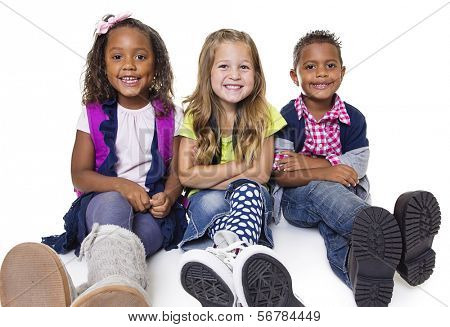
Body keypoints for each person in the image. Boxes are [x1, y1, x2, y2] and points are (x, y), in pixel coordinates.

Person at [0, 13, 186, 307]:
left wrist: (171, 195)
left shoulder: (171, 114)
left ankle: (87, 293)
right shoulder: (92, 113)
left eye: (140, 56)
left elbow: (179, 168)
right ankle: (120, 294)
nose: (129, 65)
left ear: (157, 64)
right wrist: (122, 186)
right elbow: (80, 175)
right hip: (103, 201)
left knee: (147, 233)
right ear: (103, 65)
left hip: (152, 208)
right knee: (114, 205)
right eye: (117, 56)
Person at [272, 30, 441, 306]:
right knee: (319, 189)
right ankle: (395, 236)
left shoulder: (353, 117)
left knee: (335, 230)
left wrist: (307, 163)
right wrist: (325, 170)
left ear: (342, 71)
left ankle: (360, 275)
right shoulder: (286, 117)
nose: (322, 74)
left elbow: (356, 165)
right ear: (295, 76)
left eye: (330, 65)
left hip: (347, 194)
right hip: (298, 200)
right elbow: (281, 171)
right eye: (310, 67)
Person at [177, 29, 303, 307]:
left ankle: (229, 260)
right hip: (206, 201)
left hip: (251, 196)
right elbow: (186, 175)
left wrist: (210, 175)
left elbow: (261, 174)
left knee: (249, 189)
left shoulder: (266, 114)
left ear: (256, 75)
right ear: (206, 72)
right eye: (224, 66)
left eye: (244, 67)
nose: (234, 75)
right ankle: (248, 271)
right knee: (213, 205)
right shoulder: (195, 115)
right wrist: (239, 166)